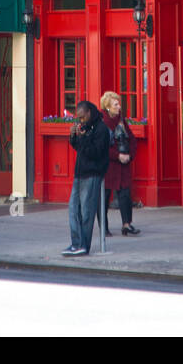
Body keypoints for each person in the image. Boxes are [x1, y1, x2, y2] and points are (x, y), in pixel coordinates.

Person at [63, 99, 111, 256]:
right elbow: (79, 148)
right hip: (79, 173)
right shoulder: (85, 126)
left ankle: (84, 245)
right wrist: (74, 137)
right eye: (79, 118)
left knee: (86, 212)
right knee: (73, 209)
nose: (80, 120)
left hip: (92, 173)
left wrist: (83, 138)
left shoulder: (101, 129)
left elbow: (95, 153)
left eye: (82, 117)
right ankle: (75, 243)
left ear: (89, 112)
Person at [100, 91, 140, 235]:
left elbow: (132, 139)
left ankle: (126, 224)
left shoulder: (121, 120)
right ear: (108, 106)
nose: (119, 107)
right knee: (104, 197)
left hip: (123, 165)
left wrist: (130, 155)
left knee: (125, 194)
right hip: (108, 166)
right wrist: (118, 156)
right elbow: (102, 147)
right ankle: (104, 228)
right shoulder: (102, 122)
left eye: (119, 104)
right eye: (115, 104)